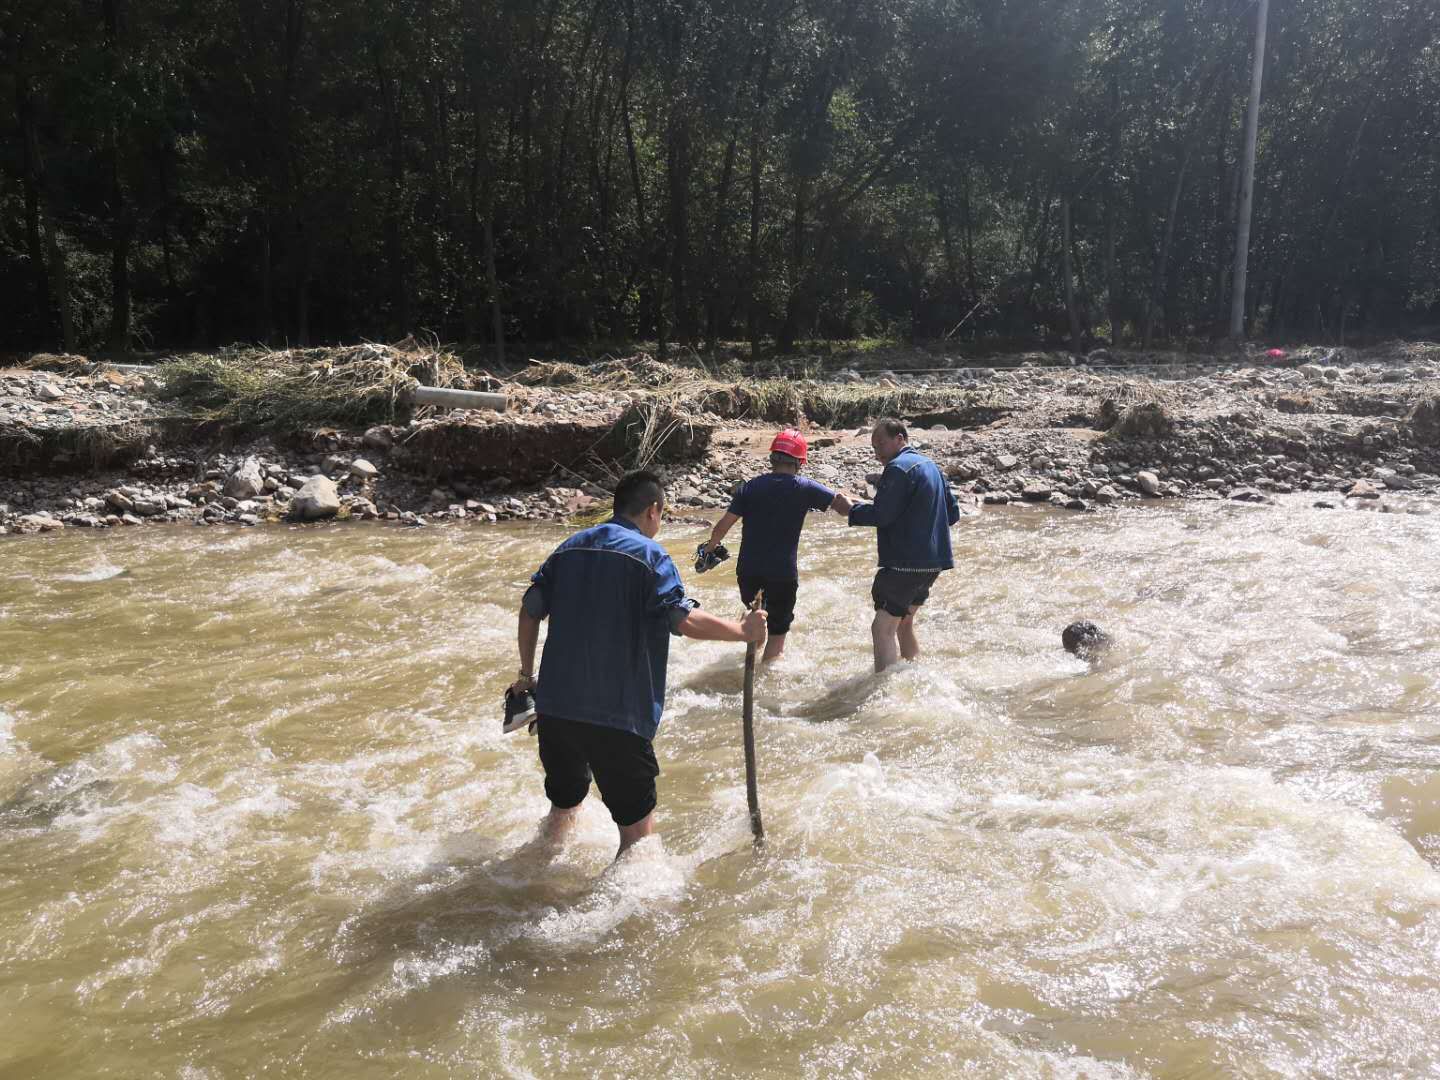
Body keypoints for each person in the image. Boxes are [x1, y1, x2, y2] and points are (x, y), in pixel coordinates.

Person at [510, 470, 768, 859]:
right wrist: (742, 631)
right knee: (637, 842)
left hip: (555, 712)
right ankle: (619, 918)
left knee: (563, 810)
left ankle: (533, 881)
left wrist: (527, 676)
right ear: (652, 511)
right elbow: (681, 619)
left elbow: (529, 613)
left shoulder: (568, 548)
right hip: (617, 718)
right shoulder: (651, 557)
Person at [695, 429, 851, 662]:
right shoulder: (805, 487)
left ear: (772, 458)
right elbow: (842, 505)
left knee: (756, 617)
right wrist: (875, 508)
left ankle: (750, 651)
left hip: (748, 573)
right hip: (782, 575)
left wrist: (708, 550)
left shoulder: (750, 488)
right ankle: (765, 680)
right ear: (800, 462)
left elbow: (722, 527)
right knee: (778, 634)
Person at [844, 418, 960, 672]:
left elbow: (883, 515)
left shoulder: (897, 468)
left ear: (900, 439)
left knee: (882, 628)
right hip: (934, 563)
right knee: (904, 623)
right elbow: (952, 515)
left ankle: (884, 692)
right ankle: (914, 676)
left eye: (881, 444)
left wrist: (851, 511)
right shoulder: (933, 466)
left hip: (905, 563)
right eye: (874, 448)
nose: (878, 453)